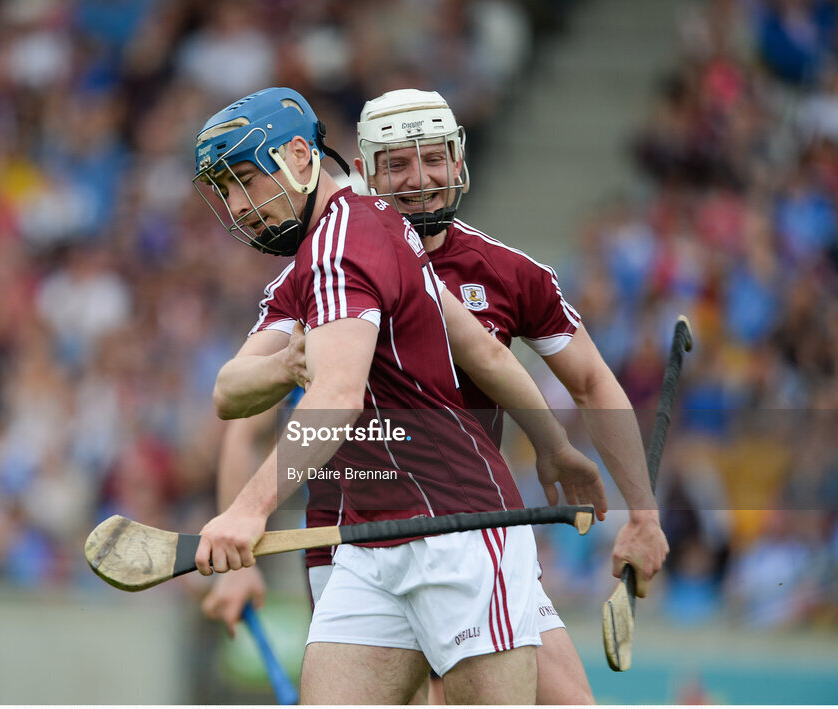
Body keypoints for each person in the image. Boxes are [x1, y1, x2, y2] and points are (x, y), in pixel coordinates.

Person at [203, 89, 670, 704]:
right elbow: (232, 402)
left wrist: (598, 479)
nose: (418, 180)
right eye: (397, 164)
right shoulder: (343, 252)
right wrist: (286, 366)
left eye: (244, 181)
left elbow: (485, 359)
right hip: (354, 538)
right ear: (367, 170)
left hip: (456, 528)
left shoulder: (383, 246)